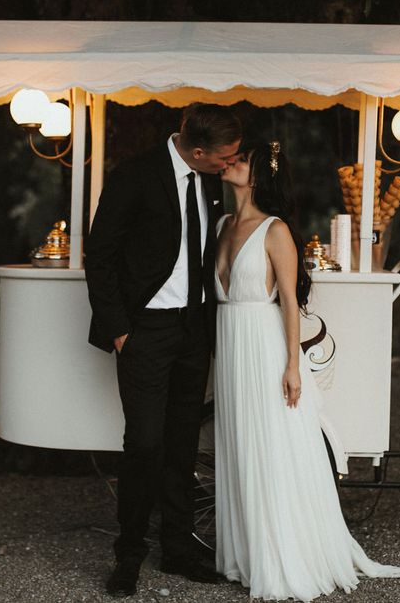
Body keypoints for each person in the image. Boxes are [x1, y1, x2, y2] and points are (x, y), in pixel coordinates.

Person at [213, 135, 400, 601]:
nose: (229, 161)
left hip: (264, 348)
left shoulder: (275, 231)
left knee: (271, 444)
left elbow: (290, 302)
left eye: (240, 158)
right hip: (230, 347)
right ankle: (246, 552)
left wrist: (292, 365)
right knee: (240, 442)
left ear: (259, 172)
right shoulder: (224, 223)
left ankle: (283, 555)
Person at [85, 104, 242, 597]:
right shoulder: (135, 176)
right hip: (145, 331)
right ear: (197, 152)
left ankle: (177, 551)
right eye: (225, 157)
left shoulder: (214, 181)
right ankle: (129, 554)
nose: (231, 163)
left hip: (193, 330)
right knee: (145, 445)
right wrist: (119, 330)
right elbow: (101, 254)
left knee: (180, 446)